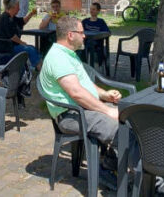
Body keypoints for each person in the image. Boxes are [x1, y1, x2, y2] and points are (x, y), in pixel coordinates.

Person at [38, 16, 122, 190]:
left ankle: (107, 168)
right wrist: (108, 110)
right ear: (70, 35)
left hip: (82, 110)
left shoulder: (70, 55)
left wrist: (105, 94)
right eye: (81, 32)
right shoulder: (58, 58)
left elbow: (86, 85)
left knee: (129, 117)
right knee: (121, 129)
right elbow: (77, 94)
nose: (84, 36)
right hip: (69, 116)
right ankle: (148, 183)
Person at [0, 0, 42, 71]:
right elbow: (12, 36)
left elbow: (23, 21)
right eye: (18, 7)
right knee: (30, 49)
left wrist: (31, 14)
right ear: (13, 8)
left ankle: (38, 68)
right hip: (5, 47)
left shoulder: (12, 17)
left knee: (32, 48)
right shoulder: (5, 18)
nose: (19, 9)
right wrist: (22, 43)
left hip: (10, 45)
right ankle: (41, 72)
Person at [82, 2, 111, 67]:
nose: (91, 11)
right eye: (91, 9)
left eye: (93, 9)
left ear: (98, 11)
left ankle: (91, 66)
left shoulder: (101, 22)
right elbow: (79, 31)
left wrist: (99, 35)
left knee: (90, 45)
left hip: (97, 44)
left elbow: (107, 33)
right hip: (85, 43)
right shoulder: (85, 21)